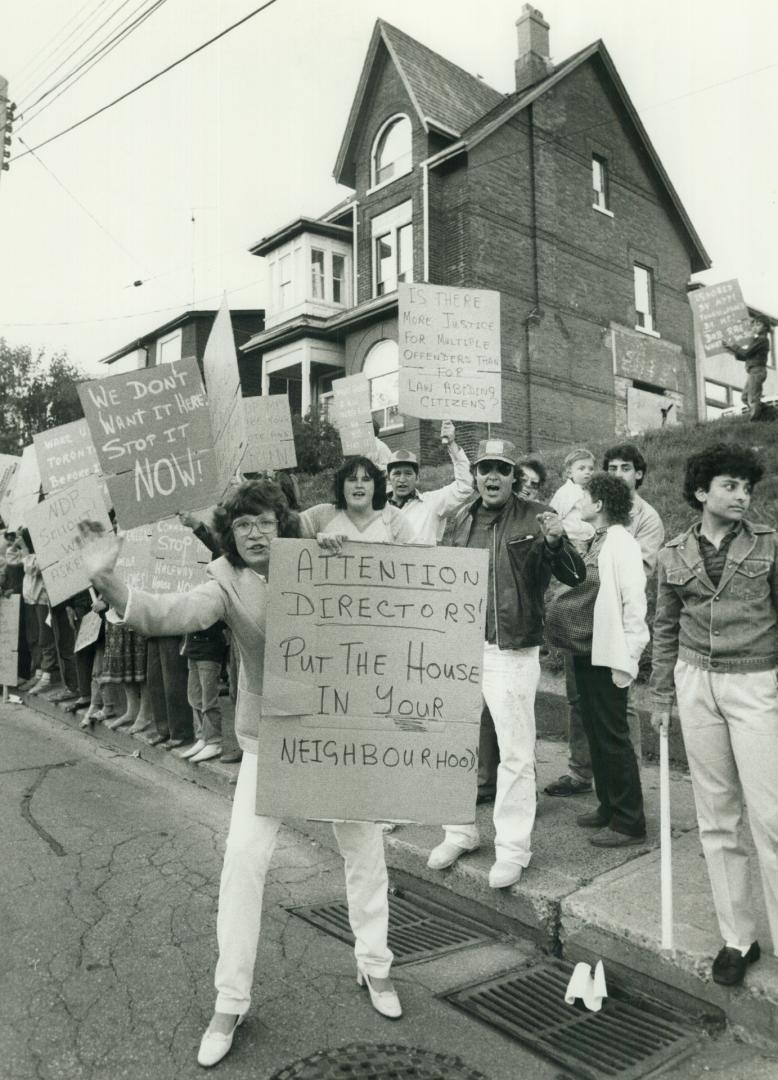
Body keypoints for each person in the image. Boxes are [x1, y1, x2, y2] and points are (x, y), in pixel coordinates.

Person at [78, 478, 403, 1069]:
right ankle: (230, 1001)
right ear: (229, 535)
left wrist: (351, 572)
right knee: (243, 863)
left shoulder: (321, 560)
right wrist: (109, 579)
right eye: (243, 525)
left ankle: (375, 966)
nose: (255, 533)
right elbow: (171, 613)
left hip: (337, 736)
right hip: (269, 739)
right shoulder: (224, 581)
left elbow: (386, 615)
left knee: (365, 849)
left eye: (265, 521)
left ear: (283, 524)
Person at [426, 439, 585, 889]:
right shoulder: (458, 516)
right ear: (474, 474)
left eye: (501, 468)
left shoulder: (536, 515)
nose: (491, 477)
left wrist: (556, 542)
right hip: (459, 648)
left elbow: (575, 575)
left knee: (515, 753)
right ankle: (459, 832)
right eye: (484, 469)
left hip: (511, 649)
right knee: (453, 745)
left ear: (515, 475)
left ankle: (513, 848)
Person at [650, 443, 778, 986]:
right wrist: (660, 696)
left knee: (770, 815)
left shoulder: (770, 545)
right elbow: (664, 628)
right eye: (730, 486)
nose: (742, 496)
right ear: (702, 492)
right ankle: (737, 937)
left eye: (747, 488)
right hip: (694, 682)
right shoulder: (673, 553)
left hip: (755, 681)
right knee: (715, 816)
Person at [545, 442, 664, 797]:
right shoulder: (595, 528)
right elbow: (581, 570)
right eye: (610, 468)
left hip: (608, 636)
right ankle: (589, 780)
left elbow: (629, 585)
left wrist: (628, 649)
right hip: (583, 634)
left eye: (624, 468)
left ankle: (626, 793)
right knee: (581, 705)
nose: (616, 474)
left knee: (616, 718)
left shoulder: (639, 524)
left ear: (638, 474)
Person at [384, 420, 473, 545]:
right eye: (397, 473)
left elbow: (465, 485)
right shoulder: (376, 508)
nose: (402, 479)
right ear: (388, 478)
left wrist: (452, 444)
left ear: (417, 478)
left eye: (408, 473)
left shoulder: (431, 503)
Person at [299, 455, 416, 546]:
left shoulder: (394, 518)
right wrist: (315, 542)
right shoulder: (322, 514)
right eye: (352, 479)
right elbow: (283, 531)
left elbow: (418, 559)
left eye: (366, 479)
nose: (359, 485)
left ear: (376, 486)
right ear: (342, 486)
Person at [722, 317, 771, 420]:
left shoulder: (762, 339)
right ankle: (769, 412)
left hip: (757, 371)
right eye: (754, 325)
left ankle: (755, 420)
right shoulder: (758, 340)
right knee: (745, 397)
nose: (755, 327)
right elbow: (745, 356)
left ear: (766, 328)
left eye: (758, 325)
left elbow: (747, 353)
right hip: (754, 371)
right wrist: (732, 350)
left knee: (753, 398)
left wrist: (733, 346)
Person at [549, 448, 596, 551]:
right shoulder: (566, 492)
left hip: (590, 539)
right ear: (570, 473)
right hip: (572, 541)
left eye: (591, 469)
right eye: (582, 468)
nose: (587, 472)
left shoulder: (590, 492)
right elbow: (554, 513)